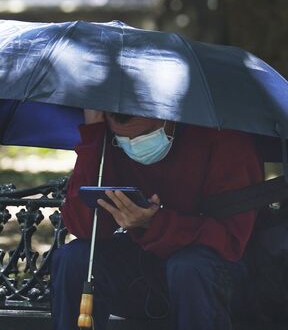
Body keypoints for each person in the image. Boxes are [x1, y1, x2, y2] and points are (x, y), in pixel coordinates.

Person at [51, 109, 264, 330]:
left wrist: (154, 224)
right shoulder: (108, 140)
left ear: (169, 114)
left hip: (214, 278)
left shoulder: (225, 139)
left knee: (188, 266)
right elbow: (84, 228)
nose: (133, 145)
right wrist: (93, 136)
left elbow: (231, 241)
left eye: (144, 136)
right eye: (124, 140)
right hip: (145, 273)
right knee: (74, 257)